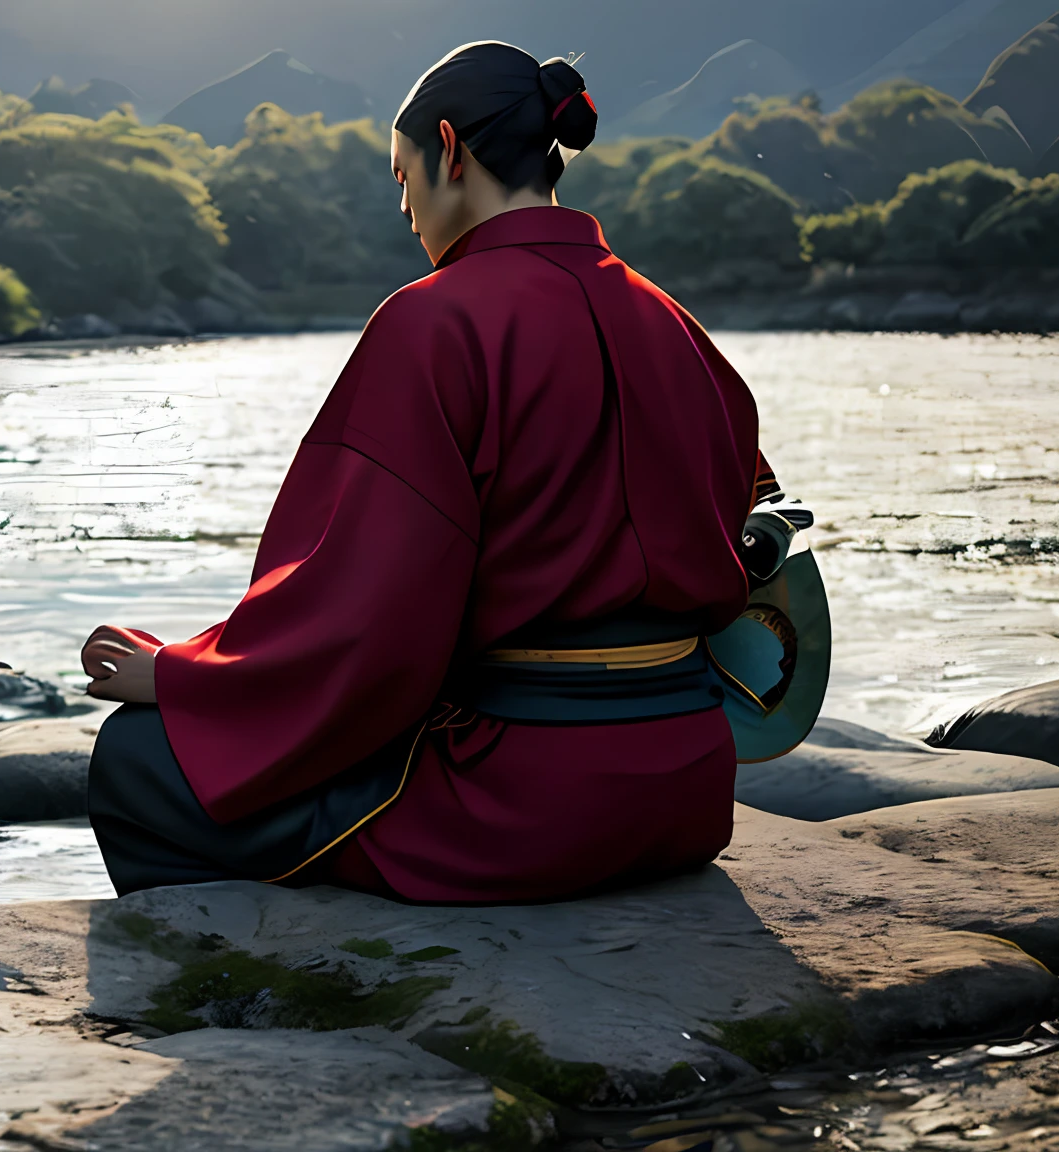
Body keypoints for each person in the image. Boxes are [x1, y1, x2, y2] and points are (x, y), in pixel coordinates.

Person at [79, 41, 786, 903]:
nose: (404, 205)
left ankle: (254, 1003)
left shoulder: (432, 323)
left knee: (137, 763)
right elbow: (749, 537)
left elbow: (368, 617)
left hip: (523, 807)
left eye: (401, 174)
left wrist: (188, 678)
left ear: (449, 150)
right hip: (690, 790)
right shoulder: (672, 321)